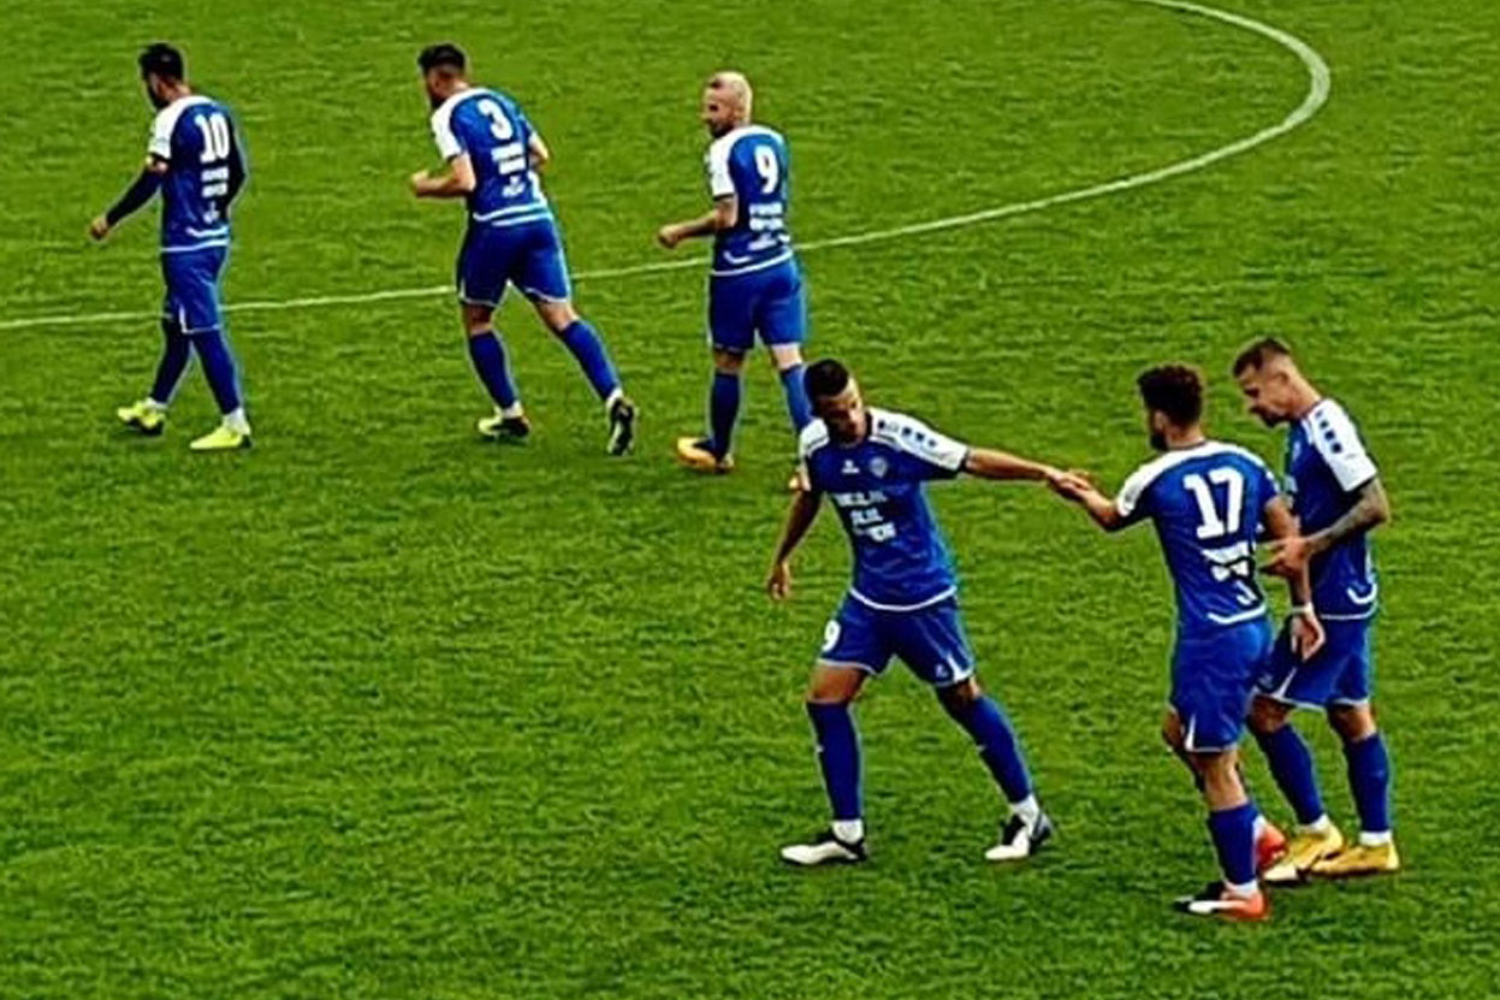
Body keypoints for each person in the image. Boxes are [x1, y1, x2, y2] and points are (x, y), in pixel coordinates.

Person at [1051, 364, 1324, 920]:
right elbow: (1290, 539)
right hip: (1251, 623)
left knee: (1214, 762)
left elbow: (1111, 518)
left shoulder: (1155, 477)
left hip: (1211, 641)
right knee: (1178, 731)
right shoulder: (1246, 462)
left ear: (1158, 416)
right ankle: (1258, 832)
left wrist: (1078, 493)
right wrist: (1302, 607)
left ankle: (1242, 891)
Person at [769, 359, 1060, 866]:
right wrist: (783, 556)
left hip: (923, 600)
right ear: (817, 413)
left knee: (964, 701)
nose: (851, 419)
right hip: (867, 601)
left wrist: (1044, 473)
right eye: (838, 413)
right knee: (824, 701)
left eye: (854, 405)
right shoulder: (814, 445)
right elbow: (812, 494)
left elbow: (971, 460)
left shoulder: (899, 437)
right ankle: (847, 835)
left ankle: (1029, 816)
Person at [411, 43, 636, 454]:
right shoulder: (501, 100)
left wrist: (426, 187)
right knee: (563, 317)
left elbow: (465, 181)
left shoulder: (447, 115)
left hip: (495, 228)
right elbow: (540, 155)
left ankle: (510, 414)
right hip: (537, 218)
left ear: (436, 79)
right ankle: (613, 397)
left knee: (477, 319)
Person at [1233, 338, 1397, 880]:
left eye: (1254, 393)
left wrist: (1309, 547)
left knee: (1263, 712)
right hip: (1344, 594)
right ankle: (1376, 843)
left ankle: (1315, 830)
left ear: (1282, 379)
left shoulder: (1327, 427)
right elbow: (1304, 512)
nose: (1252, 407)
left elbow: (1376, 505)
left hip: (1336, 601)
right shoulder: (1302, 432)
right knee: (1350, 713)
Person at [90, 43, 253, 451]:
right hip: (214, 238)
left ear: (156, 81)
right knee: (176, 324)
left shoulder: (169, 119)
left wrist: (111, 217)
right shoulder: (216, 110)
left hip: (186, 247)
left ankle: (234, 422)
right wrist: (218, 209)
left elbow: (152, 179)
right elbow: (238, 171)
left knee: (204, 331)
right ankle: (155, 407)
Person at [658, 72, 810, 475]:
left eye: (714, 109)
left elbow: (728, 217)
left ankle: (720, 451)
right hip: (780, 262)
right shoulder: (775, 141)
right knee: (790, 362)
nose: (705, 117)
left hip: (740, 272)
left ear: (738, 109)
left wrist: (680, 231)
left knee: (728, 360)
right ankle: (814, 461)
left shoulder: (722, 151)